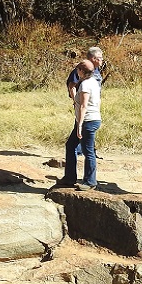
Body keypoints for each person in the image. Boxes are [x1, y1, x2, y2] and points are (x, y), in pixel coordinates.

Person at [61, 59, 101, 190]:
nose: (76, 71)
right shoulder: (93, 82)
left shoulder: (85, 85)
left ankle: (90, 181)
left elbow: (84, 106)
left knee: (87, 150)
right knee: (71, 145)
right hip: (88, 119)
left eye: (78, 69)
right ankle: (69, 178)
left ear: (82, 71)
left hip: (87, 121)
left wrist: (79, 125)